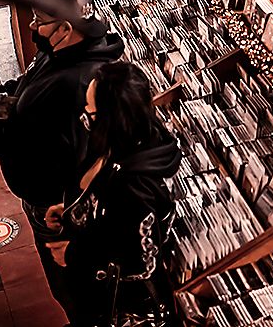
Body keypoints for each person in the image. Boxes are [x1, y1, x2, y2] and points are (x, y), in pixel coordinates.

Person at [0, 0, 123, 322]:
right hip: (40, 198)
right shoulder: (60, 51)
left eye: (39, 21)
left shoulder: (80, 82)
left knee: (70, 284)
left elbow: (56, 150)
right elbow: (28, 85)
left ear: (65, 29)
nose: (31, 26)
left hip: (55, 207)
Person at [43, 62, 180, 327]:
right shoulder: (116, 143)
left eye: (90, 112)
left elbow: (140, 260)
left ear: (110, 120)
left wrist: (74, 254)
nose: (84, 118)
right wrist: (73, 208)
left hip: (113, 306)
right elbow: (107, 206)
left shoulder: (136, 186)